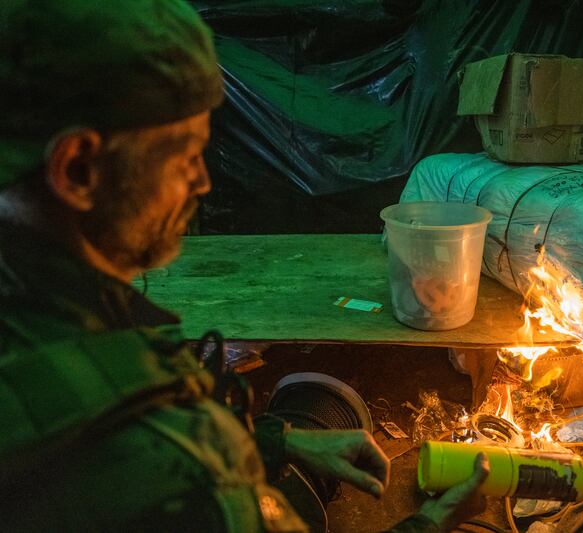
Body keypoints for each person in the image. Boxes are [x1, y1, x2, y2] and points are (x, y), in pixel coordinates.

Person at [0, 1, 489, 531]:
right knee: (296, 505)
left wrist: (281, 440)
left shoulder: (43, 298)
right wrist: (431, 523)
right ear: (79, 169)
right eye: (185, 156)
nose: (202, 183)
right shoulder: (178, 481)